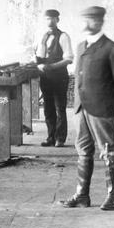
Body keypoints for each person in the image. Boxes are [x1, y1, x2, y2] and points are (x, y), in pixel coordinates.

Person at [60, 6, 114, 210]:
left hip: (102, 108)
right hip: (81, 108)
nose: (85, 24)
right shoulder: (81, 46)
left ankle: (112, 197)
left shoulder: (111, 48)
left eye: (89, 20)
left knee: (108, 151)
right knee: (83, 151)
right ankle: (82, 195)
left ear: (99, 22)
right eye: (84, 19)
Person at [35, 9, 74, 147]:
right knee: (48, 108)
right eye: (47, 19)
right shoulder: (43, 36)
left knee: (60, 108)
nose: (49, 21)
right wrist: (36, 63)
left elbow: (69, 59)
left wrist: (51, 66)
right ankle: (50, 137)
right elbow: (40, 57)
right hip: (45, 77)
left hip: (59, 77)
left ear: (58, 20)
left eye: (52, 18)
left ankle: (60, 138)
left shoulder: (63, 36)